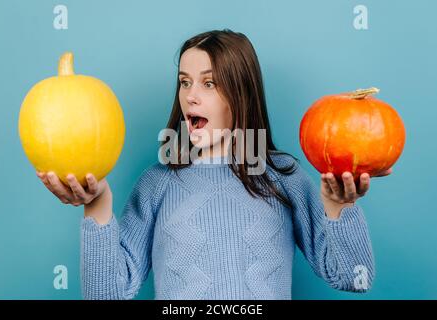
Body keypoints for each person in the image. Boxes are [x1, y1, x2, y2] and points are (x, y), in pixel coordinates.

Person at [37, 29, 392, 300]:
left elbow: (352, 278)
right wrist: (96, 207)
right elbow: (106, 294)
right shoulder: (156, 184)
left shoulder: (283, 177)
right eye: (185, 82)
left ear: (242, 93)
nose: (191, 95)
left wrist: (340, 206)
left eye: (209, 83)